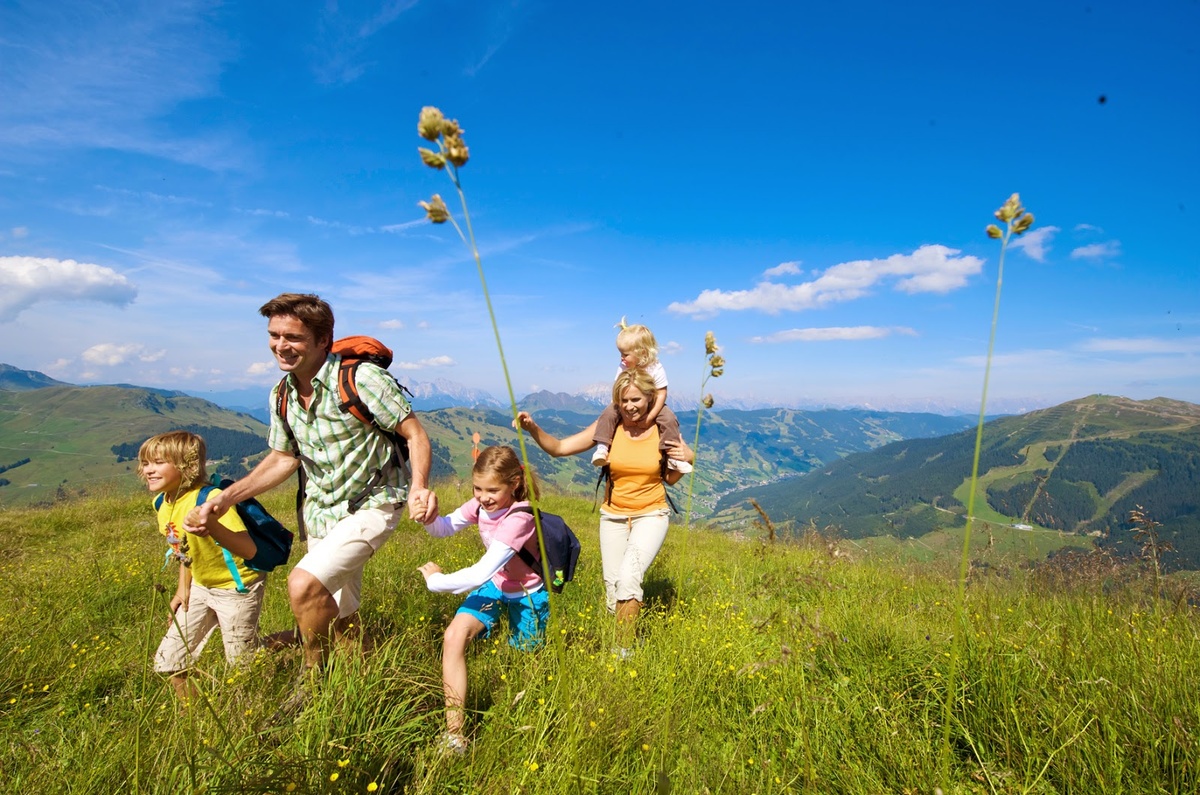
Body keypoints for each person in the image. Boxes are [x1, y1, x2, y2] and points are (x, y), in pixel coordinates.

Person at [186, 292, 438, 719]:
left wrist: (419, 486)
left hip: (374, 503)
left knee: (303, 586)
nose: (281, 346)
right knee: (341, 616)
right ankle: (369, 687)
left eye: (293, 337)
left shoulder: (362, 381)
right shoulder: (281, 395)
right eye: (274, 335)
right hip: (320, 513)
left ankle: (312, 682)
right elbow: (284, 458)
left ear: (324, 340)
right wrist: (223, 498)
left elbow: (415, 434)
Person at [516, 369, 693, 658]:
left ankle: (622, 652)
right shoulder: (608, 427)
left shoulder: (663, 429)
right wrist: (532, 428)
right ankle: (628, 638)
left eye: (636, 399)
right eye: (623, 400)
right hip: (612, 517)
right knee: (613, 591)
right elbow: (560, 448)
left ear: (650, 398)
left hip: (652, 513)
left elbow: (671, 478)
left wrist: (690, 457)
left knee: (628, 578)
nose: (630, 406)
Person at [417, 446, 547, 755]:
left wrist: (436, 582)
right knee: (453, 636)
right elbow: (444, 527)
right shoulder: (481, 506)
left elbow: (479, 572)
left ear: (514, 484)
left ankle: (520, 721)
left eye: (492, 490)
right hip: (495, 585)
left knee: (523, 663)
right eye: (477, 488)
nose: (482, 496)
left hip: (527, 594)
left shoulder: (520, 518)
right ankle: (454, 735)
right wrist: (426, 516)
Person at [140, 430, 263, 704]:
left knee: (242, 669)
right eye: (146, 463)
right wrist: (182, 589)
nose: (148, 470)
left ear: (186, 465)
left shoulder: (212, 499)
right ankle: (193, 717)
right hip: (199, 587)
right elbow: (184, 551)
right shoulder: (162, 502)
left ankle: (249, 714)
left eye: (158, 462)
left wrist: (213, 527)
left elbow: (248, 549)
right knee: (169, 662)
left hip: (236, 588)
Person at [591, 319, 690, 474]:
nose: (621, 358)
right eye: (620, 354)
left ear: (641, 353)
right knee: (608, 413)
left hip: (654, 402)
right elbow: (618, 389)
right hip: (626, 401)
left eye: (625, 354)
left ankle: (673, 456)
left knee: (669, 419)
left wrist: (651, 416)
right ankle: (602, 448)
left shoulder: (655, 367)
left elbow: (662, 393)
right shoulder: (624, 366)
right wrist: (618, 408)